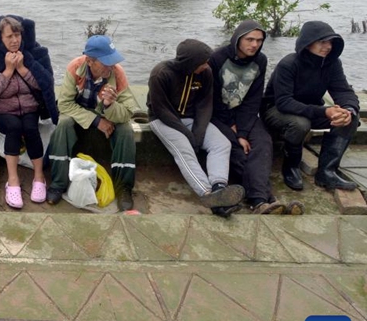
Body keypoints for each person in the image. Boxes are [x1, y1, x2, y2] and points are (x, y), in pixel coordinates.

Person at [210, 20, 303, 215]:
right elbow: (212, 98)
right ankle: (263, 199)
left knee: (263, 142)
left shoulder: (260, 60)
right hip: (218, 115)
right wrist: (232, 126)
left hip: (246, 114)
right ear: (238, 39)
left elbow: (253, 99)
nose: (254, 45)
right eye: (250, 39)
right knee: (237, 149)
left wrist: (243, 131)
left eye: (259, 40)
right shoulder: (217, 58)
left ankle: (261, 201)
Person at [147, 39, 245, 217]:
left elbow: (205, 105)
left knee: (222, 144)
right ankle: (207, 194)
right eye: (203, 62)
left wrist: (198, 134)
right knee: (184, 150)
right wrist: (188, 135)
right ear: (190, 63)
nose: (206, 65)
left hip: (192, 119)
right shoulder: (160, 74)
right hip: (164, 120)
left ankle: (219, 188)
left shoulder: (205, 73)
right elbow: (161, 110)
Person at [263, 21, 360, 191]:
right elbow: (284, 102)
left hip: (310, 109)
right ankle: (291, 166)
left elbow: (343, 91)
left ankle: (327, 172)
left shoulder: (332, 64)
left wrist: (348, 110)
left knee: (350, 118)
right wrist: (324, 111)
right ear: (308, 43)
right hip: (275, 109)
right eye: (322, 42)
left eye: (331, 42)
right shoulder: (288, 64)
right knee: (301, 124)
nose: (328, 47)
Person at [0, 15, 58, 209]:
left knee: (30, 127)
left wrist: (22, 68)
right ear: (0, 38)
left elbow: (44, 85)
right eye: (9, 36)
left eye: (17, 35)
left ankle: (39, 177)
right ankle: (13, 180)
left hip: (29, 107)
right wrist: (8, 71)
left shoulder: (35, 52)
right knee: (14, 126)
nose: (14, 40)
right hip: (1, 110)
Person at [46, 35, 137, 211]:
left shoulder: (117, 73)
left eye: (113, 60)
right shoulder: (75, 68)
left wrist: (110, 106)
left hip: (107, 115)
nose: (111, 66)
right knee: (63, 124)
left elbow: (128, 112)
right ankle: (58, 183)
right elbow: (64, 104)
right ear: (90, 61)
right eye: (106, 62)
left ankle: (124, 188)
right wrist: (96, 121)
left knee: (126, 130)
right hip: (81, 116)